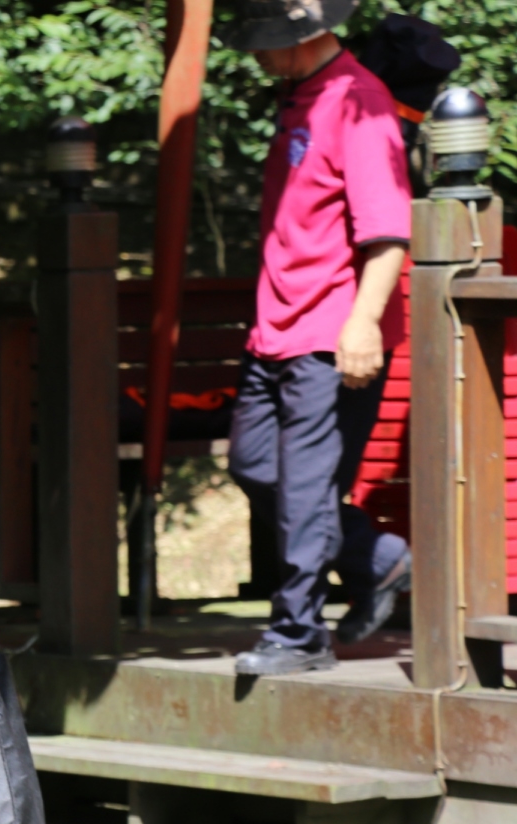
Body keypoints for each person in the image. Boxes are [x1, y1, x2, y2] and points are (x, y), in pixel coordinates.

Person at [226, 0, 414, 677]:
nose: (255, 54)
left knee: (306, 490)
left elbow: (388, 231)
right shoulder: (296, 96)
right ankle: (376, 557)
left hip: (330, 333)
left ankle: (299, 633)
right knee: (254, 465)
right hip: (273, 330)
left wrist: (363, 321)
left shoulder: (359, 102)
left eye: (263, 41)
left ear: (301, 36)